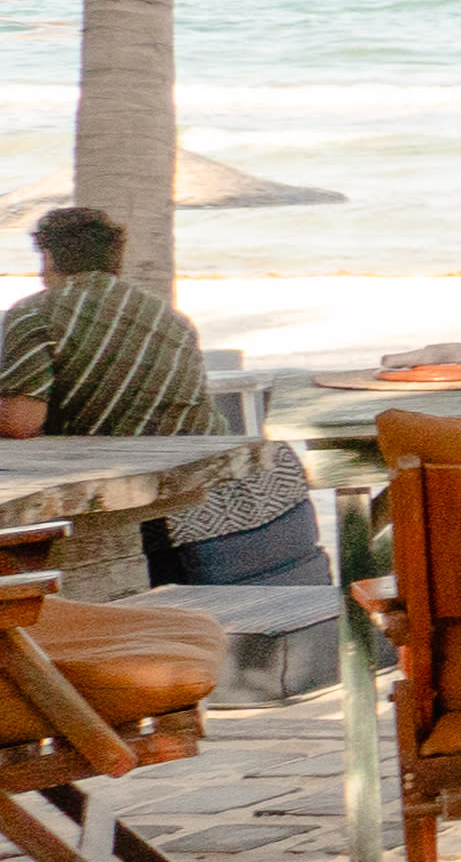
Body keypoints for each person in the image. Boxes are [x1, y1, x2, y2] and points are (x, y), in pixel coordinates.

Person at [0, 205, 322, 582]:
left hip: (156, 509)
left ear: (49, 257)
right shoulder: (168, 317)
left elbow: (20, 421)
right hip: (233, 486)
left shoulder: (35, 314)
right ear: (115, 257)